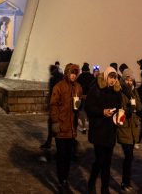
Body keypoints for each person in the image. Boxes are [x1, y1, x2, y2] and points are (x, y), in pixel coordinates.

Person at [85, 67, 122, 194]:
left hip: (111, 130)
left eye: (114, 77)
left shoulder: (117, 91)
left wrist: (120, 115)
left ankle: (105, 189)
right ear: (106, 76)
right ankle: (91, 182)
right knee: (100, 160)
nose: (112, 80)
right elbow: (88, 108)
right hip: (98, 129)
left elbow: (119, 107)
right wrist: (102, 112)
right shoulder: (96, 89)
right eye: (111, 77)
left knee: (108, 162)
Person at [48, 63, 83, 193]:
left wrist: (79, 104)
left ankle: (65, 179)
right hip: (61, 126)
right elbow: (53, 105)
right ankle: (61, 181)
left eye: (75, 73)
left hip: (71, 128)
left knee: (68, 156)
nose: (73, 76)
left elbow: (80, 104)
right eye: (71, 73)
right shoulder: (59, 87)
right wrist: (55, 122)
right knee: (61, 155)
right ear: (67, 73)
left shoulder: (78, 87)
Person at [117, 70, 142, 192]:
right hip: (124, 128)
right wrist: (129, 108)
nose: (128, 81)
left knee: (130, 156)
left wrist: (134, 102)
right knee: (128, 156)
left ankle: (127, 181)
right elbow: (120, 108)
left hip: (134, 128)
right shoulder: (120, 92)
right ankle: (124, 182)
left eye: (130, 79)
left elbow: (139, 107)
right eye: (126, 79)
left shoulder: (134, 91)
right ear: (123, 79)